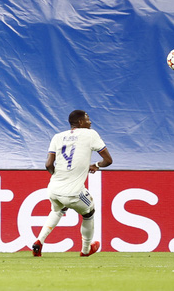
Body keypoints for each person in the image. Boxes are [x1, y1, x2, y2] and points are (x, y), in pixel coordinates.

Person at [32, 110, 112, 257]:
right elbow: (108, 160)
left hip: (54, 189)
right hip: (73, 192)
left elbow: (49, 164)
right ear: (81, 123)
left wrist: (60, 176)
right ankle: (86, 250)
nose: (90, 122)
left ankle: (39, 241)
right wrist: (96, 165)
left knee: (58, 210)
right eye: (88, 119)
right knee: (89, 213)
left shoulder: (57, 136)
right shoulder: (91, 134)